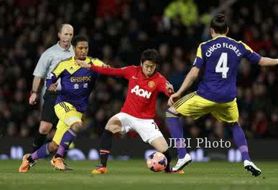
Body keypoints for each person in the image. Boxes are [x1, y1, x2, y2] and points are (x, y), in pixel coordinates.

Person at [165, 14, 278, 176]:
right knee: (234, 125)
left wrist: (179, 92)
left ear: (212, 30)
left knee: (171, 113)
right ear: (227, 30)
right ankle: (247, 159)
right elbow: (261, 61)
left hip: (206, 95)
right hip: (228, 98)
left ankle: (182, 155)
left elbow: (193, 73)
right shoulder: (239, 45)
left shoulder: (204, 46)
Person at [77, 49, 177, 174]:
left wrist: (171, 93)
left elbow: (168, 90)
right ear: (141, 63)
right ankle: (102, 166)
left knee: (165, 150)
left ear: (156, 66)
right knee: (109, 126)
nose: (149, 69)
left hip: (145, 121)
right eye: (147, 66)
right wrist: (91, 67)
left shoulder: (159, 79)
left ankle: (168, 170)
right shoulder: (132, 71)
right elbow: (112, 71)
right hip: (127, 115)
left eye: (152, 66)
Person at [19, 35, 106, 172]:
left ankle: (28, 159)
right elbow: (50, 77)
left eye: (86, 48)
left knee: (54, 144)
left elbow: (109, 70)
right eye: (80, 48)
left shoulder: (93, 63)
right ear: (74, 48)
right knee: (77, 125)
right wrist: (50, 85)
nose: (83, 51)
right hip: (63, 104)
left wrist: (94, 68)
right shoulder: (65, 64)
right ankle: (58, 158)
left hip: (77, 110)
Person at [29, 24, 74, 154]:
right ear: (59, 35)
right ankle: (31, 156)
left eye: (70, 34)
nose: (68, 37)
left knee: (66, 127)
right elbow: (38, 75)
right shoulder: (49, 53)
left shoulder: (75, 52)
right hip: (52, 94)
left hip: (69, 95)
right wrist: (34, 93)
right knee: (45, 128)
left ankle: (59, 158)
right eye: (65, 34)